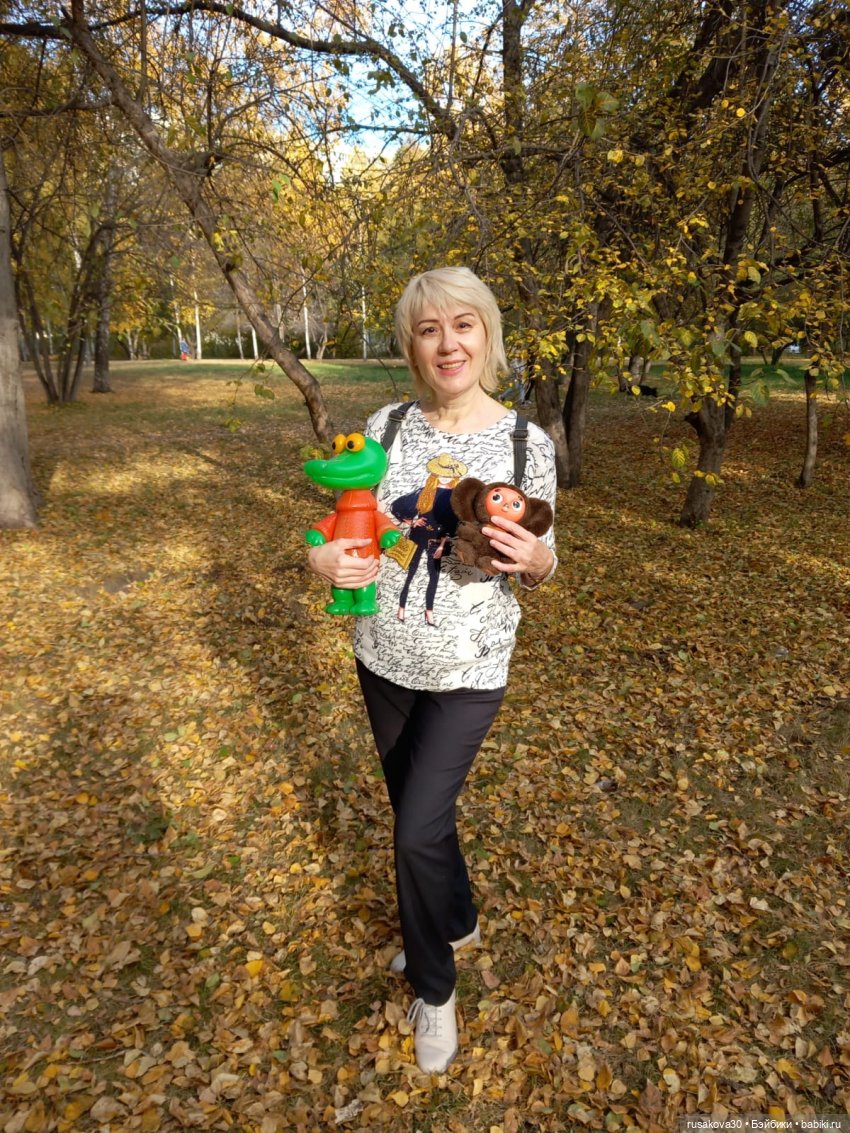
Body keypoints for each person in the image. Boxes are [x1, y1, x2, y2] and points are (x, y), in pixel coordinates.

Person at [306, 267, 557, 1073]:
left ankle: (434, 986)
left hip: (469, 666)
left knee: (413, 830)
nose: (448, 344)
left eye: (463, 325)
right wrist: (323, 561)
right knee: (422, 816)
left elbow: (544, 556)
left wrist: (536, 560)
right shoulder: (384, 426)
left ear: (487, 334)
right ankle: (456, 917)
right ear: (413, 345)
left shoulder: (524, 444)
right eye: (428, 329)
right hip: (382, 656)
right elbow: (343, 525)